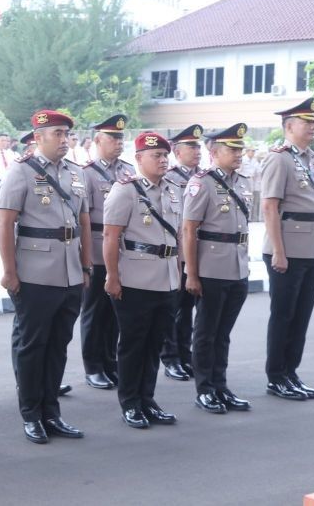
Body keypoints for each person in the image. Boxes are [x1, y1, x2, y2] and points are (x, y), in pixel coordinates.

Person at [0, 110, 92, 444]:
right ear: (38, 137)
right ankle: (31, 414)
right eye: (57, 133)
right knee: (32, 345)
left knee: (58, 346)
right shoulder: (20, 173)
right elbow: (6, 224)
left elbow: (83, 222)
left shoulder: (76, 173)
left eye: (67, 133)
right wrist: (9, 272)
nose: (64, 139)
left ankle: (52, 412)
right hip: (35, 273)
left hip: (69, 273)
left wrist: (86, 266)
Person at [103, 132, 180, 429]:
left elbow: (179, 236)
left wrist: (181, 272)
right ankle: (131, 403)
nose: (162, 160)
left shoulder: (173, 189)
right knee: (133, 344)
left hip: (167, 278)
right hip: (135, 279)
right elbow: (111, 237)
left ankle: (148, 399)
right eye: (155, 156)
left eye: (164, 155)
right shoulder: (126, 190)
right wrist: (112, 276)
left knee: (154, 344)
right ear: (138, 159)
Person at [182, 123, 253, 414]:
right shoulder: (202, 183)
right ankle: (205, 390)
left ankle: (221, 386)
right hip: (211, 268)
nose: (238, 154)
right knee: (206, 332)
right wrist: (192, 273)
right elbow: (188, 230)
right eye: (232, 149)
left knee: (223, 333)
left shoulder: (242, 181)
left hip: (238, 268)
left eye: (240, 149)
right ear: (214, 153)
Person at [261, 97, 314, 401]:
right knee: (283, 314)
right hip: (287, 248)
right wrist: (278, 250)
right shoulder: (280, 158)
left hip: (312, 249)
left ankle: (291, 372)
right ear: (289, 126)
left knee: (301, 316)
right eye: (307, 122)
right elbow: (270, 207)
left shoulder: (313, 158)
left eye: (313, 122)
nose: (313, 127)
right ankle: (276, 376)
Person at [79, 114, 134, 390]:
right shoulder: (86, 173)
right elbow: (84, 218)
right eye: (113, 138)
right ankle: (93, 366)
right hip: (98, 247)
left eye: (121, 138)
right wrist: (86, 256)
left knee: (115, 311)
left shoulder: (127, 171)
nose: (118, 143)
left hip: (121, 249)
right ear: (97, 140)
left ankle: (110, 361)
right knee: (94, 311)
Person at [160, 124, 204, 382]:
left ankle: (187, 356)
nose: (196, 151)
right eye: (191, 146)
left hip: (202, 251)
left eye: (198, 146)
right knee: (175, 309)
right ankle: (171, 358)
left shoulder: (208, 177)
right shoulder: (169, 178)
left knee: (191, 309)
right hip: (178, 252)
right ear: (177, 151)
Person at [239, 148, 262, 221]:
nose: (253, 153)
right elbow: (238, 170)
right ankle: (246, 217)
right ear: (247, 151)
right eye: (252, 151)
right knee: (245, 199)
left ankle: (253, 217)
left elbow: (258, 171)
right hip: (244, 180)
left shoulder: (254, 161)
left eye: (254, 151)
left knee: (253, 200)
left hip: (253, 181)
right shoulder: (242, 159)